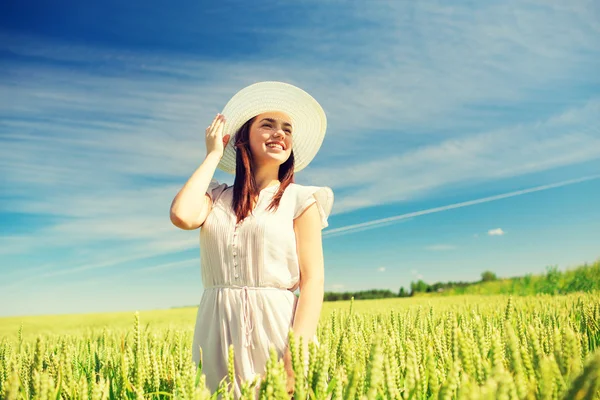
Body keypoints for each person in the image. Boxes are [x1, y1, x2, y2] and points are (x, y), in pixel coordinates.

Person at [169, 81, 334, 398]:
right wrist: (213, 155)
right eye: (268, 125)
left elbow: (313, 280)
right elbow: (181, 215)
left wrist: (294, 359)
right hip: (215, 328)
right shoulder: (216, 197)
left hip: (276, 328)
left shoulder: (300, 199)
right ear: (243, 137)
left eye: (287, 129)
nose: (280, 134)